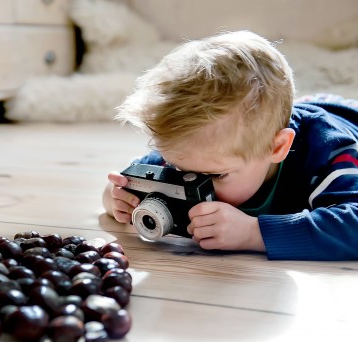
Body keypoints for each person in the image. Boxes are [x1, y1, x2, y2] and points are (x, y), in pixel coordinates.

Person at [103, 30, 358, 261]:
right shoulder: (195, 152)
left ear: (276, 148)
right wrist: (118, 200)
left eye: (216, 175)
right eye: (175, 167)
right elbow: (129, 182)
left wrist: (252, 233)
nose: (192, 182)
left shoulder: (328, 152)